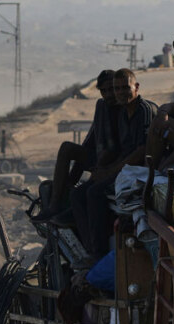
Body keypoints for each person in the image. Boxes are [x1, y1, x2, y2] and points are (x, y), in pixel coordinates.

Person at [71, 68, 157, 259]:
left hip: (139, 172)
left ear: (136, 87)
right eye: (116, 89)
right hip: (124, 169)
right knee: (78, 194)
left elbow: (141, 151)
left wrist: (112, 170)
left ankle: (98, 253)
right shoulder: (123, 113)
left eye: (124, 88)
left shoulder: (143, 110)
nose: (120, 93)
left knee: (95, 193)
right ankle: (88, 247)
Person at [43, 70, 117, 219]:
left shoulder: (125, 106)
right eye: (104, 91)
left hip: (116, 163)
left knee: (85, 193)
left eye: (112, 89)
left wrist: (104, 169)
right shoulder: (102, 106)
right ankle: (55, 204)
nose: (109, 94)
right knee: (67, 148)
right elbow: (90, 141)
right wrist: (71, 180)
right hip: (100, 157)